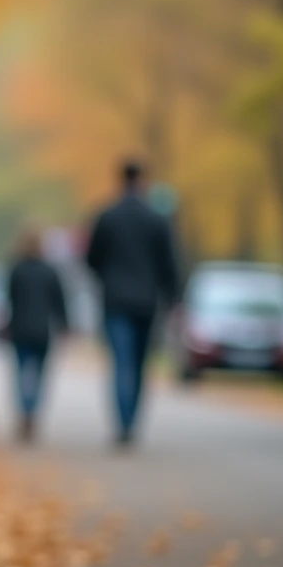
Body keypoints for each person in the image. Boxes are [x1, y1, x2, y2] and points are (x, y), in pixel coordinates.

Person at [86, 159, 179, 448]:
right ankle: (132, 421)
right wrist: (173, 298)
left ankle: (123, 422)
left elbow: (92, 259)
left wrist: (106, 279)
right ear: (142, 180)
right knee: (138, 364)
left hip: (115, 300)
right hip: (146, 302)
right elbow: (168, 263)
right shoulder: (156, 219)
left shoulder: (106, 216)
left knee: (121, 362)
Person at [6, 228, 68, 443]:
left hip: (20, 329)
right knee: (40, 374)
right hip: (43, 331)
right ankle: (33, 411)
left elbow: (11, 300)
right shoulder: (49, 271)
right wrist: (65, 325)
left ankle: (24, 410)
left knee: (22, 372)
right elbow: (59, 302)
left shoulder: (16, 270)